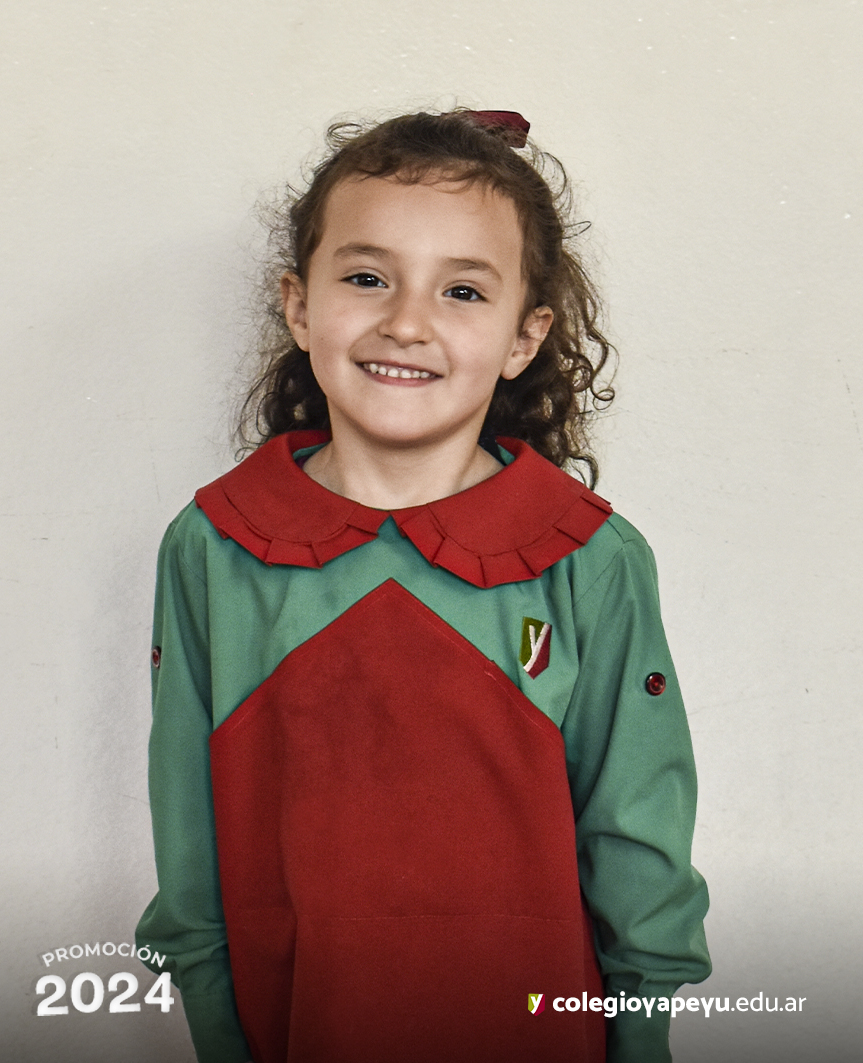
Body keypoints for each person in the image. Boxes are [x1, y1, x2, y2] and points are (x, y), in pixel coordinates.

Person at [136, 109, 711, 1063]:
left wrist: (643, 1031)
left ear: (525, 336)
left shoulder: (590, 557)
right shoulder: (212, 546)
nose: (406, 322)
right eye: (367, 278)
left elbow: (636, 830)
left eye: (463, 291)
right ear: (299, 306)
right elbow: (188, 834)